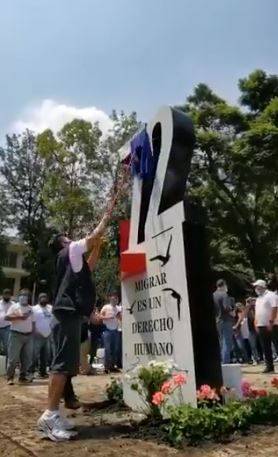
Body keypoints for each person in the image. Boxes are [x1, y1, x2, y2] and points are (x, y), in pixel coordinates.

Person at [37, 214, 109, 442]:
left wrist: (97, 246)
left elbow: (89, 266)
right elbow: (94, 235)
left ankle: (55, 414)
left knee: (65, 365)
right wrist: (105, 219)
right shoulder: (70, 250)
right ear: (64, 242)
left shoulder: (71, 259)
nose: (71, 238)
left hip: (69, 316)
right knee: (60, 366)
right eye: (67, 237)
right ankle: (49, 415)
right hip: (66, 316)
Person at [5, 289, 35, 384]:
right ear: (19, 297)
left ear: (28, 297)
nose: (24, 297)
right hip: (16, 335)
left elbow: (33, 322)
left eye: (26, 295)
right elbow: (7, 317)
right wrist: (19, 317)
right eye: (22, 295)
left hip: (28, 336)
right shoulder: (14, 307)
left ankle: (22, 377)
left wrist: (32, 332)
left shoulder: (31, 309)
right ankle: (10, 377)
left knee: (26, 359)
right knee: (13, 359)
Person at [253, 279, 278, 373]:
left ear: (262, 286)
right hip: (261, 325)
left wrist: (271, 321)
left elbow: (274, 308)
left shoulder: (271, 295)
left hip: (272, 324)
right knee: (265, 347)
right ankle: (269, 366)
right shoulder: (259, 298)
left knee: (276, 344)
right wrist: (255, 322)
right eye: (255, 287)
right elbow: (257, 311)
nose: (256, 288)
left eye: (257, 286)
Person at [213, 279, 235, 364]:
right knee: (227, 342)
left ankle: (221, 362)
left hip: (217, 321)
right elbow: (227, 307)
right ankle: (226, 363)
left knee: (221, 342)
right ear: (224, 285)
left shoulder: (213, 295)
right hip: (226, 320)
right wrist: (232, 312)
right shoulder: (224, 294)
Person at [100, 292, 122, 373]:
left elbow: (121, 318)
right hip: (107, 330)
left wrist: (120, 317)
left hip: (116, 330)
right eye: (113, 298)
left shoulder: (118, 308)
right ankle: (106, 367)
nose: (115, 299)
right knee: (107, 349)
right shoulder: (106, 307)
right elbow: (100, 316)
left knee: (115, 349)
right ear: (110, 298)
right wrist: (108, 317)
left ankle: (112, 366)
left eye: (116, 298)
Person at [32, 293, 52, 378]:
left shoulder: (50, 308)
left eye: (45, 297)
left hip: (48, 335)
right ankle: (29, 372)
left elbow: (53, 320)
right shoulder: (34, 309)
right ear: (38, 299)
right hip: (37, 335)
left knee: (45, 355)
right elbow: (31, 322)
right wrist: (35, 331)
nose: (43, 299)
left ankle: (42, 372)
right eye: (42, 297)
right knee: (34, 355)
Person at [0, 289, 14, 357]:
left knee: (7, 346)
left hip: (7, 328)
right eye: (5, 294)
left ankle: (7, 364)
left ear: (10, 296)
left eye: (8, 294)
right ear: (2, 295)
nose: (7, 296)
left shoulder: (13, 304)